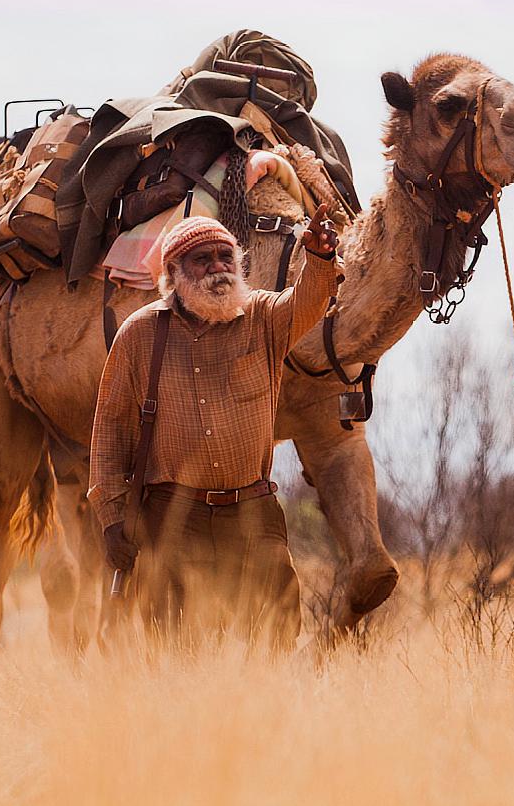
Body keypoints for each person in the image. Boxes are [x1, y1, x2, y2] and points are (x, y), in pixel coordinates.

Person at [88, 208, 340, 652]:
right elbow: (109, 434)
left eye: (226, 256)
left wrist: (319, 258)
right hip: (172, 519)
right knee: (178, 648)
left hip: (254, 513)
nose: (219, 268)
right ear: (173, 273)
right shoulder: (139, 335)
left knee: (274, 639)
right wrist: (111, 519)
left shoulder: (264, 317)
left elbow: (308, 301)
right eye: (203, 259)